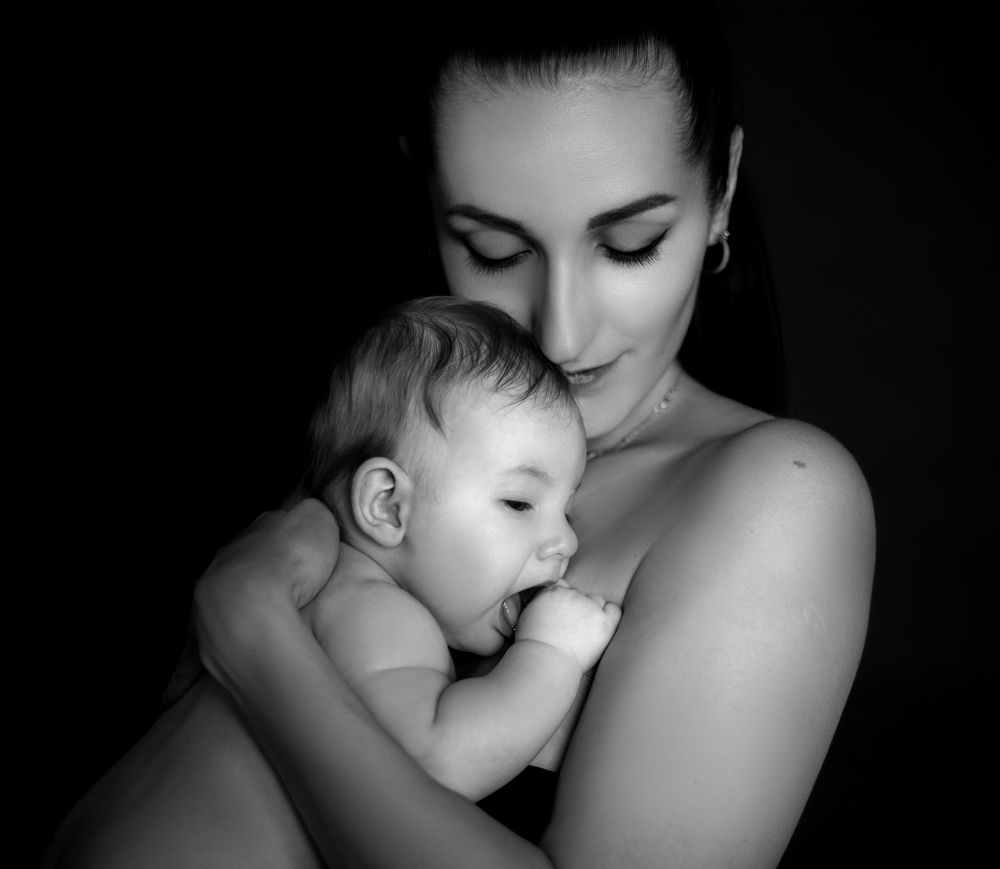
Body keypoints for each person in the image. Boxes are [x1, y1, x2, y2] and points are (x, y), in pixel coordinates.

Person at [57, 9, 877, 868]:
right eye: (493, 249)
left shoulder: (780, 495)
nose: (560, 335)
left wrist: (253, 634)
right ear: (429, 199)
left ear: (723, 191)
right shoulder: (395, 417)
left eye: (630, 244)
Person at [41, 297, 621, 867]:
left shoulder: (314, 583)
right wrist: (552, 653)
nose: (565, 541)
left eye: (567, 510)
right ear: (387, 505)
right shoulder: (373, 610)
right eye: (520, 503)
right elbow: (438, 765)